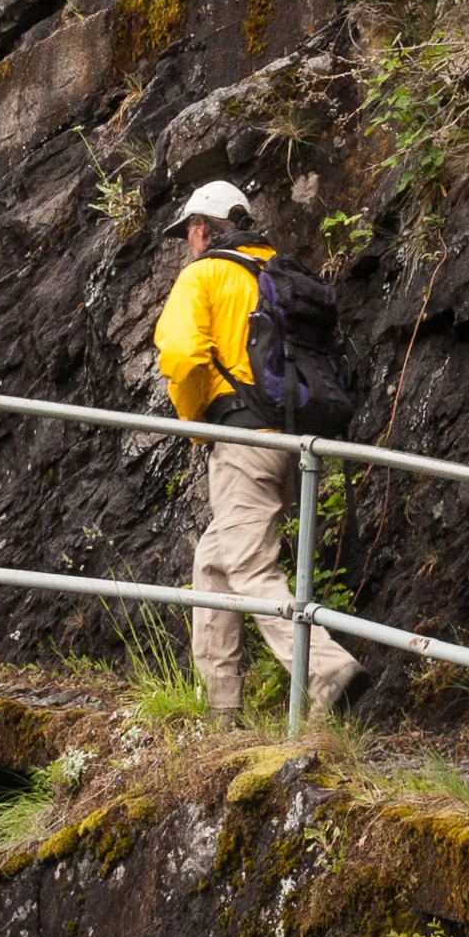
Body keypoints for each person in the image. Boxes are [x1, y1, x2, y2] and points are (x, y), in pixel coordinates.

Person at [151, 180, 364, 724]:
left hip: (245, 440)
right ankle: (220, 709)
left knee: (249, 568)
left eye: (188, 232)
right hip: (293, 443)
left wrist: (196, 425)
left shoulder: (204, 275)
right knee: (214, 562)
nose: (188, 242)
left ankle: (327, 670)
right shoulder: (276, 270)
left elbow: (182, 355)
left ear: (202, 228)